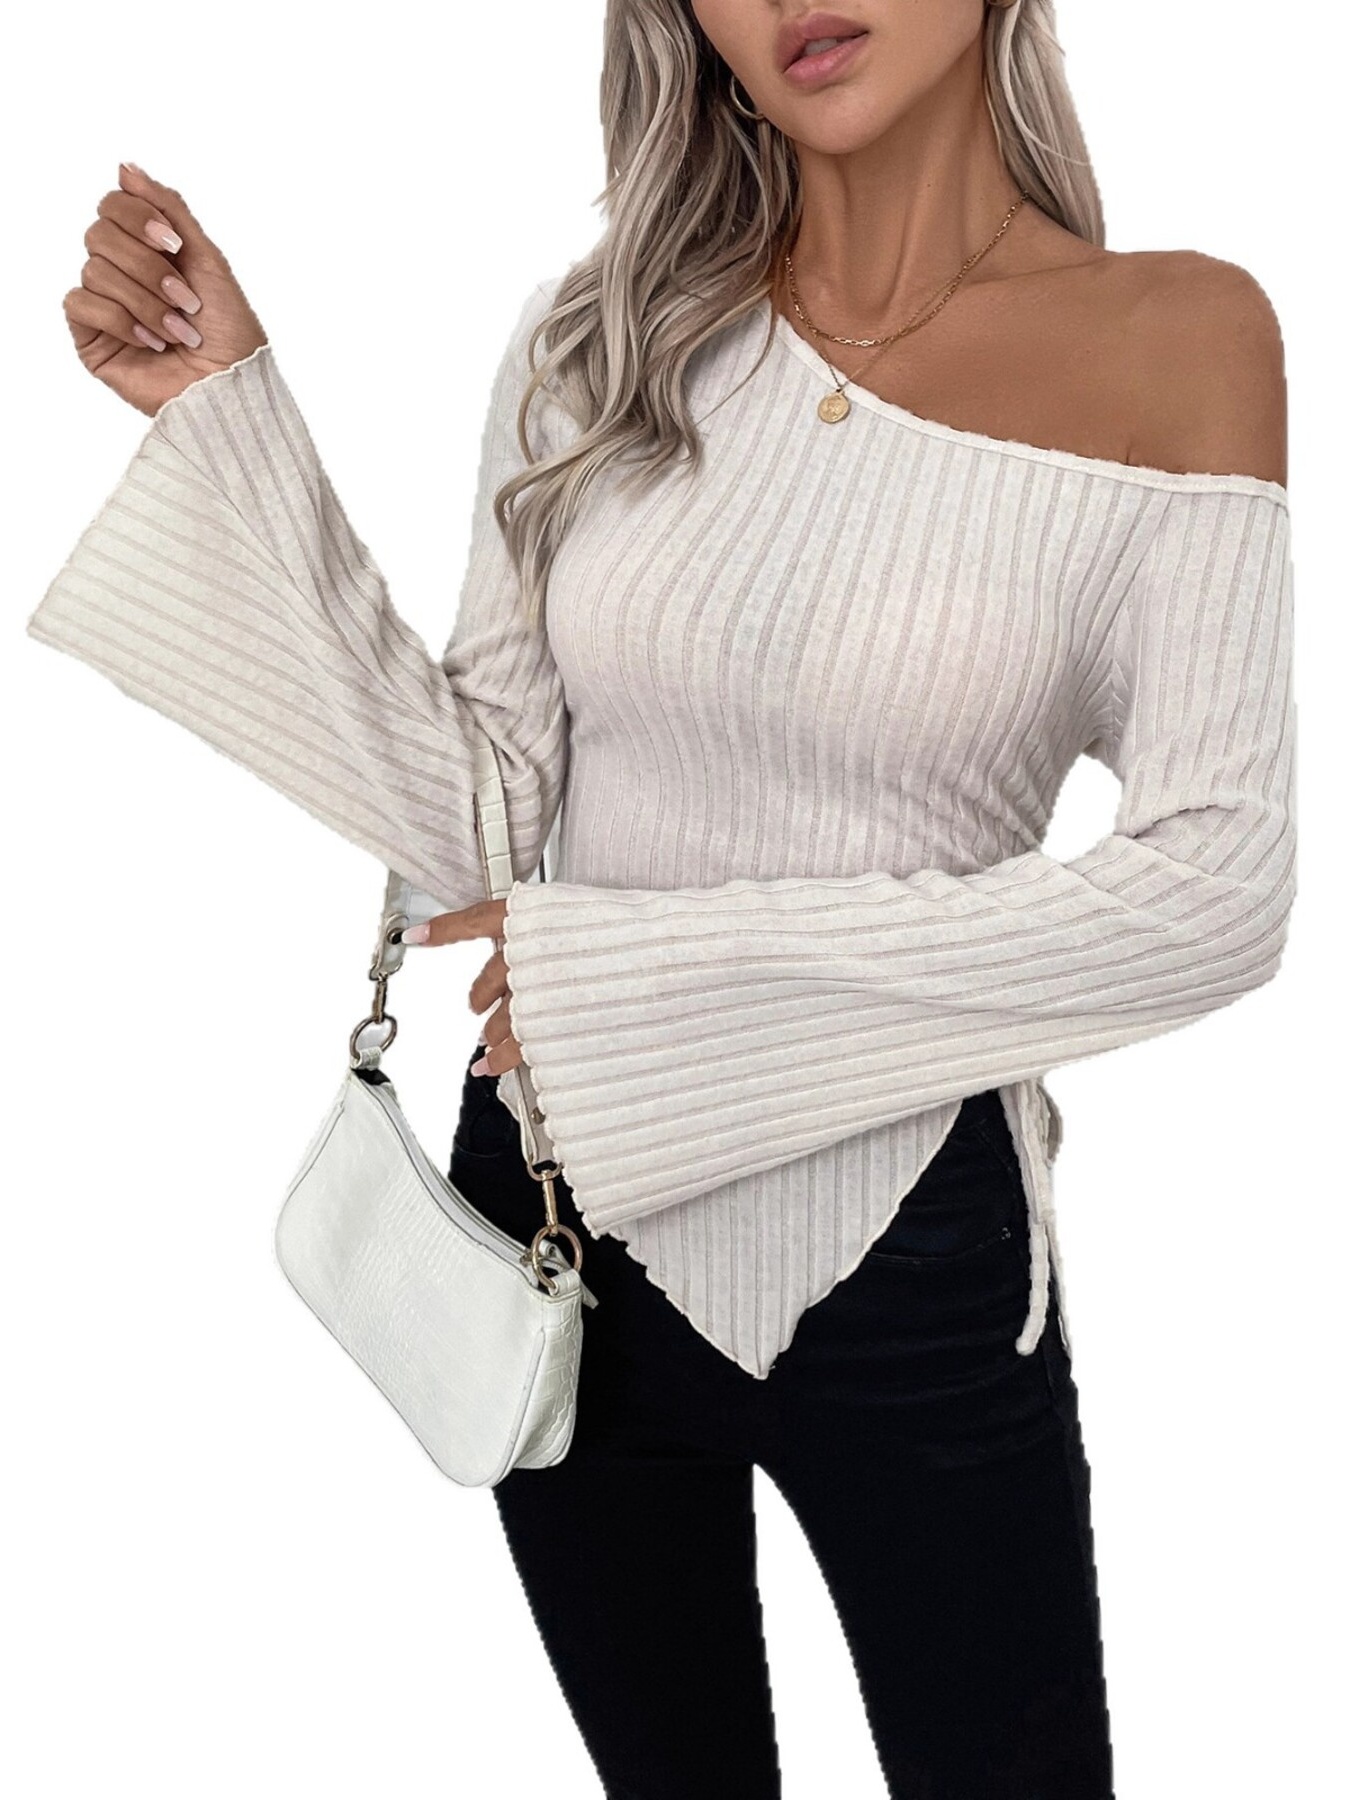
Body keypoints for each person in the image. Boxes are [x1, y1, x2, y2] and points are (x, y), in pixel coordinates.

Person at [27, 2, 1296, 1795]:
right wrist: (231, 430)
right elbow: (476, 825)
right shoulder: (603, 333)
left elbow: (1217, 891)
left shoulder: (1180, 335)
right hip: (557, 1225)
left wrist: (647, 982)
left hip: (904, 1260)